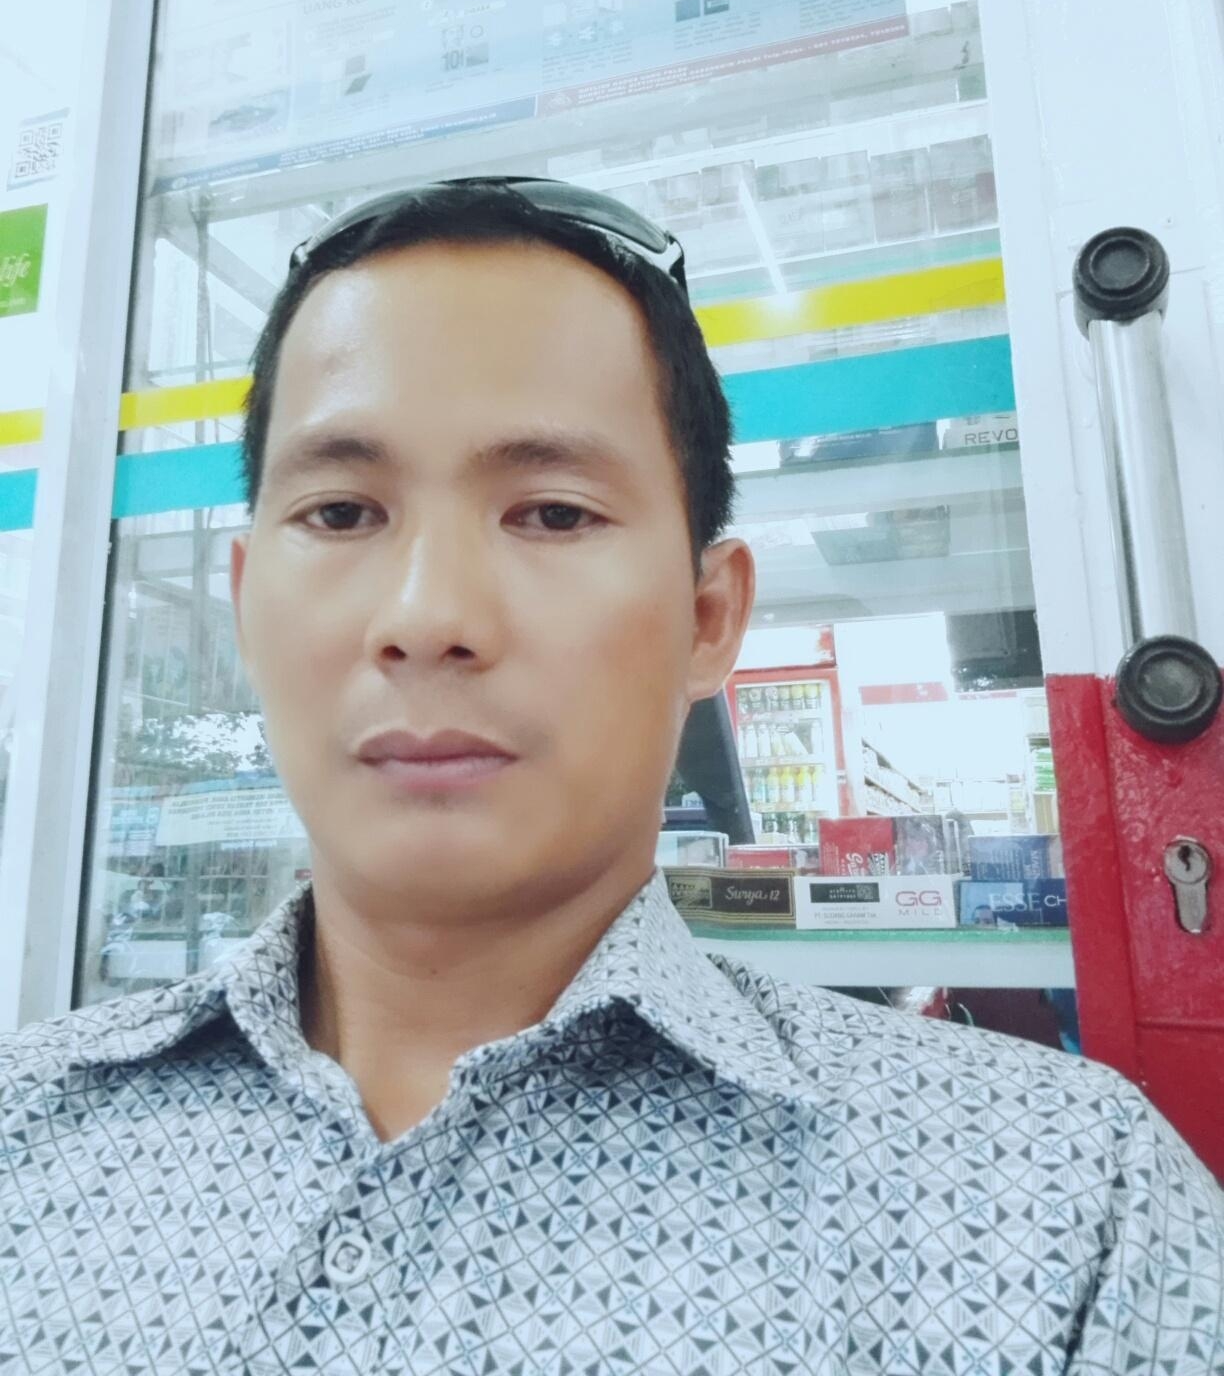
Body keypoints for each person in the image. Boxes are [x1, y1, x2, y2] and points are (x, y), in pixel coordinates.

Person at [1, 177, 1221, 1373]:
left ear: (707, 618)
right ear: (243, 600)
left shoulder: (1060, 1213)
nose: (426, 617)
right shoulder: (24, 1133)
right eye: (340, 513)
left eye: (552, 513)